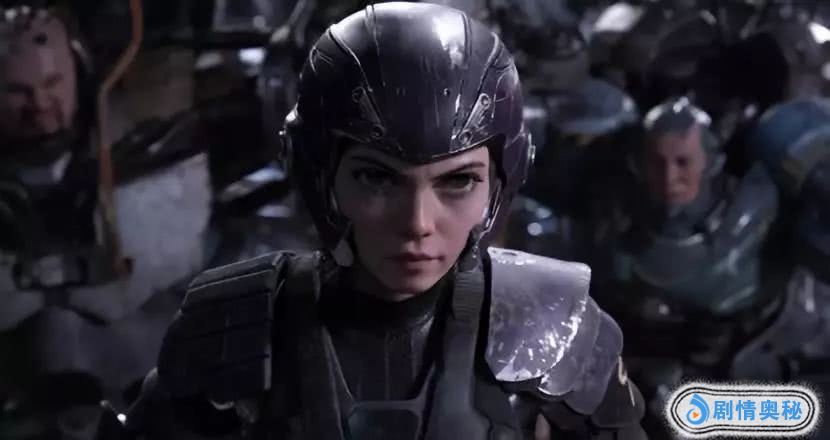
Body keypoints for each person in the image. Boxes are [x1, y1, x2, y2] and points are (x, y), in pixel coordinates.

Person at [99, 3, 648, 439]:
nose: (417, 223)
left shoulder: (551, 322)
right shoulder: (231, 323)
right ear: (321, 173)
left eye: (457, 181)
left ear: (501, 178)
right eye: (378, 178)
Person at [0, 7, 213, 439]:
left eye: (52, 84)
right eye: (17, 92)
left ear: (80, 73)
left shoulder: (152, 155)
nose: (40, 108)